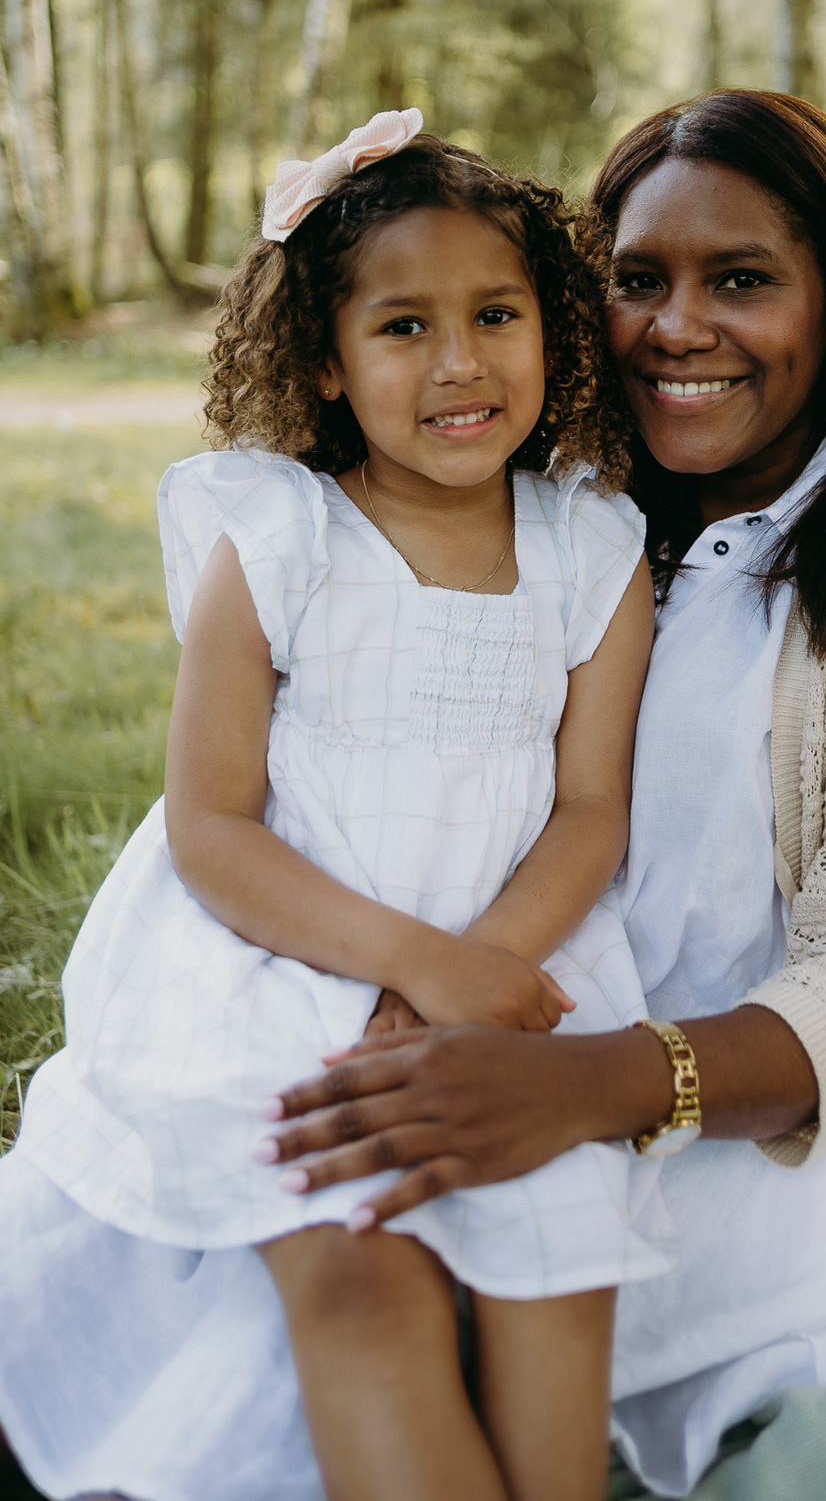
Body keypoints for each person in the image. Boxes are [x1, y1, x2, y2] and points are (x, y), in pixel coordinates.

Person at [257, 90, 826, 1497]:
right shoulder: (541, 507)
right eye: (639, 281)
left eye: (741, 280)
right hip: (449, 1011)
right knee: (268, 1266)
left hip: (737, 1133)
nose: (678, 328)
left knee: (435, 1323)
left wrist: (585, 1087)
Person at [0, 112, 672, 1501]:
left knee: (556, 1262)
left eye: (495, 314)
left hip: (512, 962)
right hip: (283, 964)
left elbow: (591, 810)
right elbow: (211, 824)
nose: (459, 362)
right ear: (325, 358)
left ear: (552, 328)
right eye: (403, 326)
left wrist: (467, 977)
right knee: (361, 1269)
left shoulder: (592, 547)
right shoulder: (277, 538)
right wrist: (408, 965)